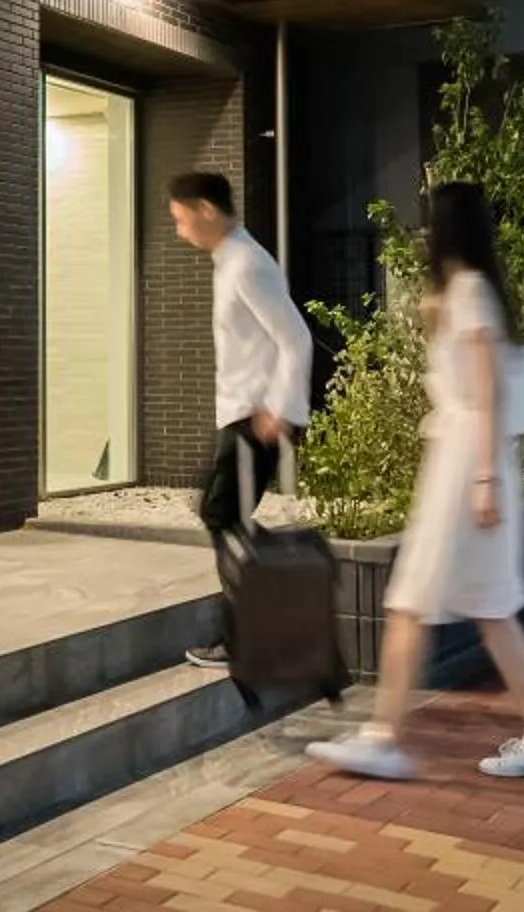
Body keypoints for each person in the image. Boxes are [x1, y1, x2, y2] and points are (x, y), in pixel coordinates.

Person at [308, 181, 524, 782]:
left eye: (429, 220)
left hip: (467, 464)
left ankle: (384, 737)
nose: (422, 229)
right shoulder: (466, 290)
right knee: (485, 609)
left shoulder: (470, 291)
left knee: (415, 601)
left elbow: (487, 393)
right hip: (466, 461)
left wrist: (482, 478)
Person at [170, 170, 312, 672]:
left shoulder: (248, 264)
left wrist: (279, 407)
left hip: (256, 420)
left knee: (223, 518)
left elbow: (296, 338)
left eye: (182, 218)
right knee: (219, 514)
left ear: (207, 210)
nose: (179, 230)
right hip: (241, 416)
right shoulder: (230, 262)